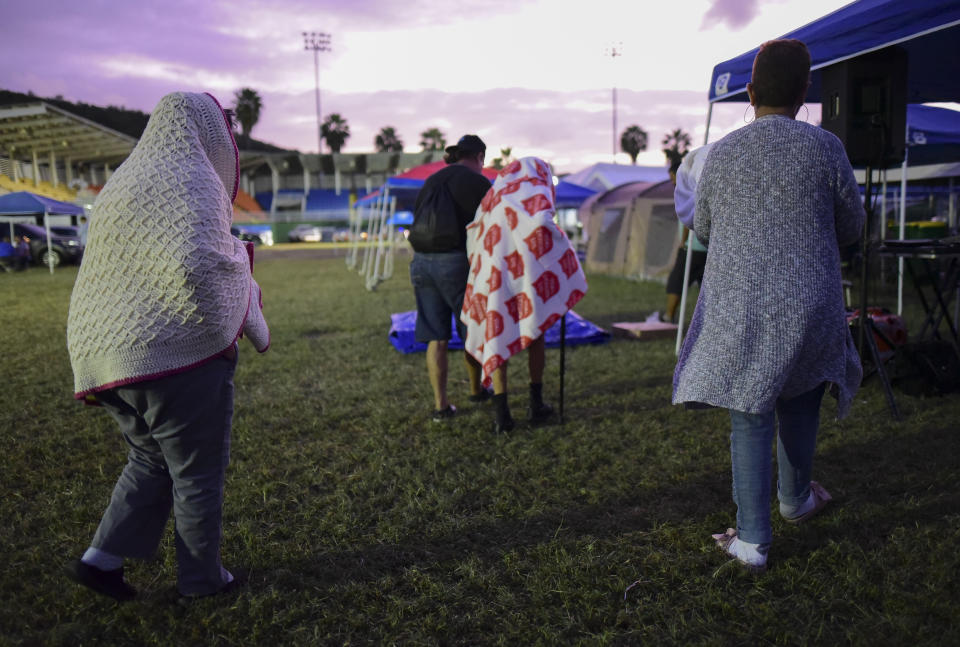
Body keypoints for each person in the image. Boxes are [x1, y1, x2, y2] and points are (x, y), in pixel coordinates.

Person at [65, 92, 270, 601]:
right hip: (173, 349)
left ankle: (101, 561)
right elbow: (199, 263)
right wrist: (222, 325)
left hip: (104, 352)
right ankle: (203, 582)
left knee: (150, 458)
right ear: (210, 133)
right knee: (197, 471)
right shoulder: (193, 179)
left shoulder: (121, 182)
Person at [672, 39, 865, 573]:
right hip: (811, 301)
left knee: (750, 412)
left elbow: (703, 229)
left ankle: (753, 541)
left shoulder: (724, 153)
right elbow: (852, 227)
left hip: (742, 302)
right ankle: (796, 500)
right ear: (806, 91)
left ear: (750, 93)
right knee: (802, 400)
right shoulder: (826, 147)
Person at [461, 157, 588, 433]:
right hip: (527, 277)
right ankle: (535, 402)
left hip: (494, 277)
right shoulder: (534, 188)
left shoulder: (494, 195)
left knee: (496, 334)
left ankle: (502, 414)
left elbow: (474, 231)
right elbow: (542, 222)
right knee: (536, 332)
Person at [409, 134, 493, 422]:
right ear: (480, 157)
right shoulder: (477, 181)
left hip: (420, 262)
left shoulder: (432, 180)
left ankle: (441, 406)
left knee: (437, 337)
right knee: (471, 329)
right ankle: (476, 390)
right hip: (454, 263)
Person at [648, 157, 708, 323]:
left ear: (679, 174)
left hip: (693, 247)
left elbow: (690, 219)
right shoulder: (702, 184)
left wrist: (683, 242)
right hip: (707, 248)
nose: (673, 183)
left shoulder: (690, 188)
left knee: (676, 281)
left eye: (673, 179)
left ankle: (668, 316)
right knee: (706, 287)